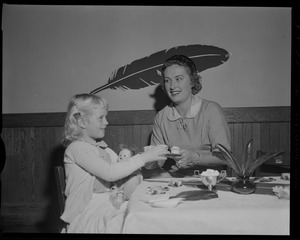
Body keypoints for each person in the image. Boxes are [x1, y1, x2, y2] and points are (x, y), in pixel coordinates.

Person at [60, 93, 169, 233]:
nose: (106, 122)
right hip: (86, 211)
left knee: (144, 213)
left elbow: (123, 170)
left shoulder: (105, 149)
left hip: (109, 202)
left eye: (106, 117)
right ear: (82, 122)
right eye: (101, 118)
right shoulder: (77, 148)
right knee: (127, 221)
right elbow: (110, 173)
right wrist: (143, 158)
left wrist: (145, 162)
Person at [145, 55, 231, 175]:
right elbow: (157, 161)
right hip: (177, 181)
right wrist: (143, 160)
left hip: (211, 181)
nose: (172, 86)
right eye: (167, 80)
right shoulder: (162, 116)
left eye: (178, 79)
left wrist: (195, 158)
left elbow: (225, 157)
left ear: (192, 81)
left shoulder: (212, 110)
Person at [109, 145, 142, 210]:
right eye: (120, 156)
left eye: (124, 156)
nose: (121, 157)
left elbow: (135, 176)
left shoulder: (132, 169)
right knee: (114, 189)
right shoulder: (115, 167)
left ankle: (122, 196)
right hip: (118, 187)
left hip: (126, 188)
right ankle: (117, 196)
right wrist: (114, 187)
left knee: (133, 180)